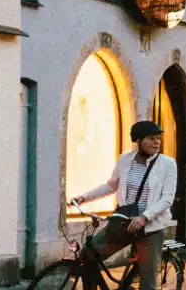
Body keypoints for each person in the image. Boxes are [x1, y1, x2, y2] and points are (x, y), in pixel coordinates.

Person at [70, 121, 178, 290]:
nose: (157, 142)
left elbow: (167, 199)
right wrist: (84, 198)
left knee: (148, 282)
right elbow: (111, 185)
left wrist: (144, 217)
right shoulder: (125, 160)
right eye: (151, 138)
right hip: (123, 223)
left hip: (150, 227)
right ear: (138, 140)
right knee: (88, 256)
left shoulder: (167, 164)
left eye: (158, 138)